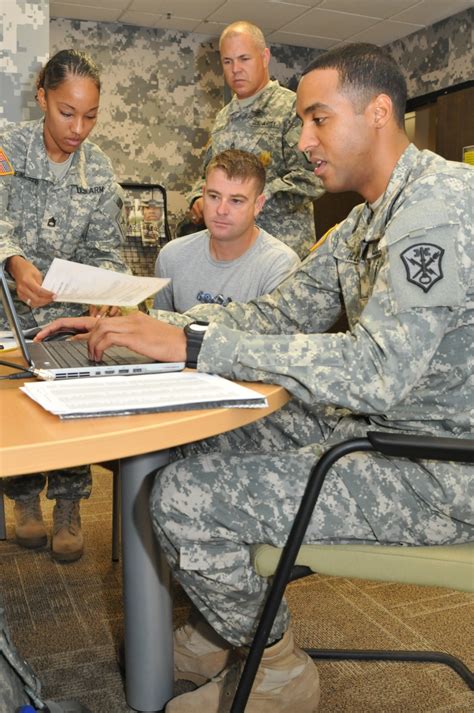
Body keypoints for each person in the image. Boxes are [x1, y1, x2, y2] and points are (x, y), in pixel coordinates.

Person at [37, 43, 473, 712]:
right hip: (384, 426)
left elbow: (377, 369)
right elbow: (276, 313)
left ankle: (276, 667)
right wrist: (147, 326)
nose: (302, 141)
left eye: (318, 119)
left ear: (379, 112)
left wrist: (192, 345)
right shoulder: (368, 218)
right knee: (202, 443)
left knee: (181, 497)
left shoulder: (435, 210)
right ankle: (220, 627)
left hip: (434, 467)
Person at [0, 49, 130, 563]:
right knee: (18, 410)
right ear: (42, 97)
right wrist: (12, 260)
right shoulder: (6, 148)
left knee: (72, 410)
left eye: (91, 115)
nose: (79, 128)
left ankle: (70, 505)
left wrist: (106, 299)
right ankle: (25, 501)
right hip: (7, 312)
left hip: (65, 318)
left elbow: (105, 249)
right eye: (67, 112)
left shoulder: (99, 171)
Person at [188, 20, 324, 259]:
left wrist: (250, 202)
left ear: (264, 57)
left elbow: (312, 177)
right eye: (227, 61)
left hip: (280, 250)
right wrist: (198, 198)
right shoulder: (223, 117)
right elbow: (207, 173)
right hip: (231, 252)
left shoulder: (292, 108)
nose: (235, 69)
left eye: (244, 59)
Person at [154, 149, 299, 312]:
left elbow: (276, 338)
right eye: (214, 196)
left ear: (258, 205)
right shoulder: (172, 257)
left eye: (236, 201)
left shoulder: (280, 266)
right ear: (203, 194)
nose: (221, 210)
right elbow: (158, 330)